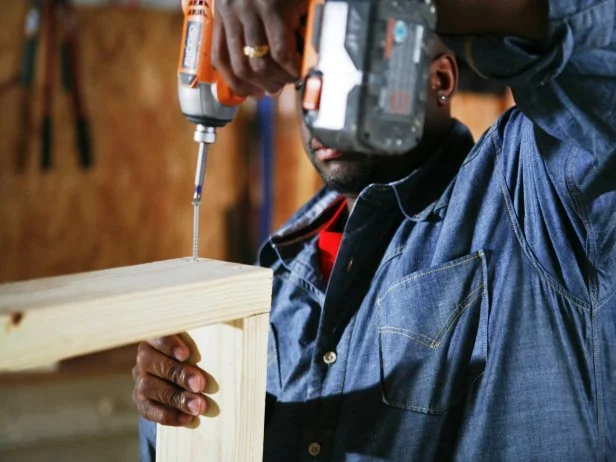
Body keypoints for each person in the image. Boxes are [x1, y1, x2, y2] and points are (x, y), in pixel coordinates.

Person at [134, 1, 616, 460]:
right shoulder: (279, 277)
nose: (318, 104)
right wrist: (171, 410)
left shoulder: (531, 195)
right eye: (305, 80)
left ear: (439, 78)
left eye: (344, 68)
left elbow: (598, 49)